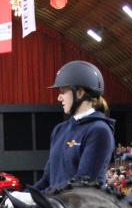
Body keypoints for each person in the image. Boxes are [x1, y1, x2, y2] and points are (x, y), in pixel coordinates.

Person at [30, 61, 115, 192]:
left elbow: (82, 183)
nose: (59, 98)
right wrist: (24, 195)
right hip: (57, 206)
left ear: (80, 92)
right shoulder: (60, 129)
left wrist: (38, 198)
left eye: (63, 91)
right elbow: (47, 179)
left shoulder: (99, 130)